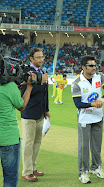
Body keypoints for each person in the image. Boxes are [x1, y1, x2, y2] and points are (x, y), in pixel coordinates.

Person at [71, 56, 104, 184]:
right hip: (84, 118)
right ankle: (83, 171)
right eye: (91, 66)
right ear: (84, 67)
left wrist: (103, 99)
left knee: (96, 145)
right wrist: (92, 104)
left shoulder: (100, 76)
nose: (94, 68)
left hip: (98, 116)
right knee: (84, 147)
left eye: (95, 65)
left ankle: (96, 167)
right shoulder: (77, 83)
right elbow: (78, 104)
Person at [0, 73, 35, 187]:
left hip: (7, 138)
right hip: (8, 138)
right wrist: (29, 86)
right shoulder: (9, 86)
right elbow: (21, 105)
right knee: (10, 179)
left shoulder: (11, 87)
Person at [21, 48, 50, 182]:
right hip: (29, 113)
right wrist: (41, 82)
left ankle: (32, 168)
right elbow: (23, 94)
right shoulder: (26, 73)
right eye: (38, 57)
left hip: (40, 113)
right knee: (28, 143)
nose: (41, 59)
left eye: (42, 57)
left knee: (37, 142)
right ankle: (26, 172)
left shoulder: (43, 71)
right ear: (31, 59)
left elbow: (45, 93)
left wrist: (46, 109)